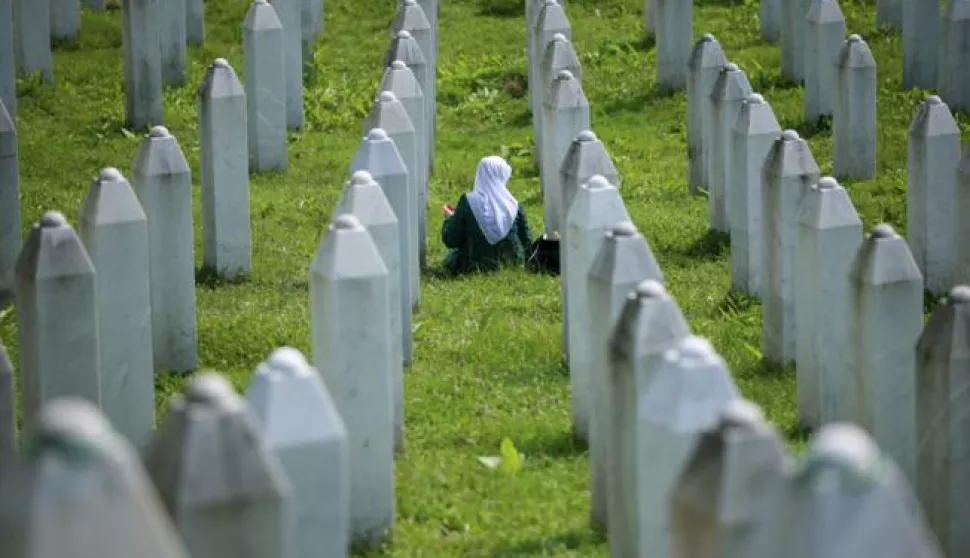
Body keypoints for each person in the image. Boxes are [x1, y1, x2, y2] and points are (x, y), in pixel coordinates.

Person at [441, 156, 533, 275]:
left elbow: (451, 240)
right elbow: (527, 242)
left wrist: (450, 218)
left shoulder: (468, 202)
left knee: (452, 256)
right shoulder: (514, 205)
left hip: (474, 266)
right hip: (513, 264)